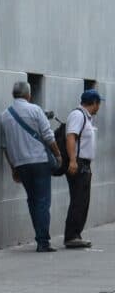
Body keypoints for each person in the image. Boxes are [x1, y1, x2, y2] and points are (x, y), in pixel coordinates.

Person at [0, 81, 63, 252]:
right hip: (40, 161)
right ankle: (43, 242)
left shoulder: (5, 115)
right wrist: (58, 155)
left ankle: (40, 238)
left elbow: (4, 146)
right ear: (28, 95)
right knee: (43, 202)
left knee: (33, 200)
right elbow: (48, 136)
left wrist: (13, 168)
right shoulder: (35, 110)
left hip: (21, 164)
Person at [62, 89, 104, 249]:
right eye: (99, 103)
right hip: (78, 163)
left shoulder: (86, 118)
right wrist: (73, 161)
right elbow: (71, 137)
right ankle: (71, 236)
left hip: (84, 164)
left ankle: (75, 235)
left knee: (83, 200)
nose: (99, 107)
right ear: (94, 103)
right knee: (78, 200)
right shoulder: (78, 115)